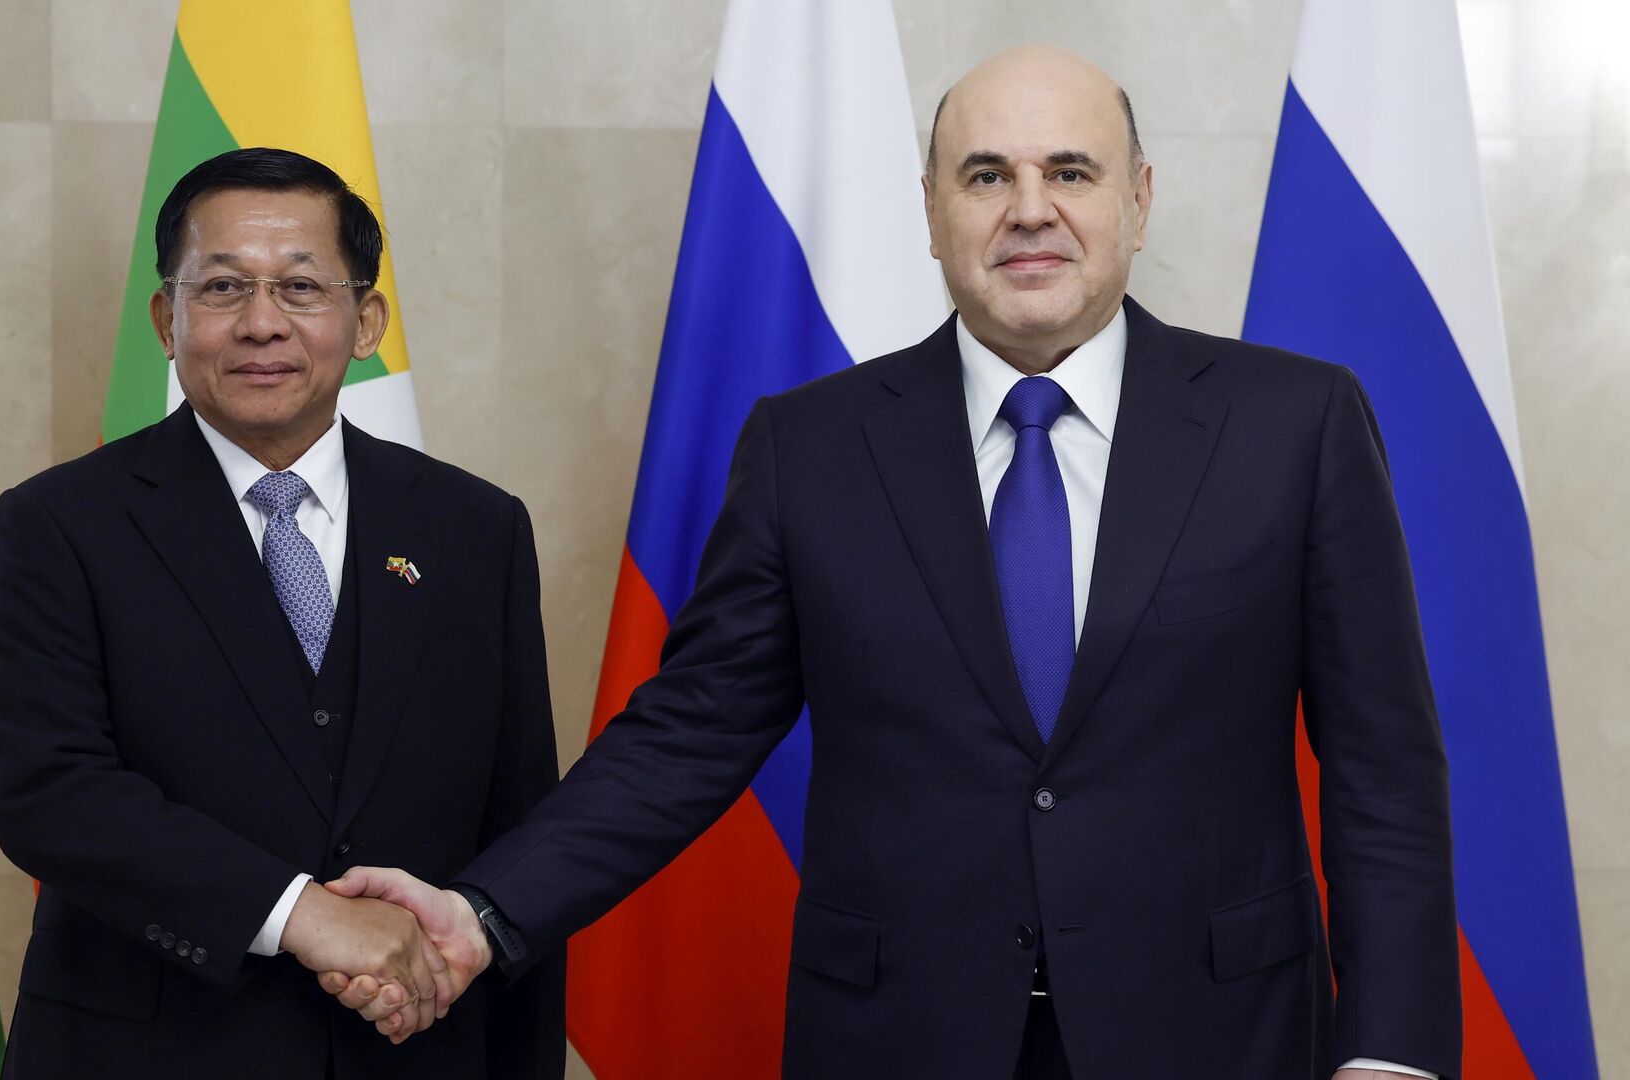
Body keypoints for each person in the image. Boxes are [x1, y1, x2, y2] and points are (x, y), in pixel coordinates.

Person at [325, 46, 1463, 1080]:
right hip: (900, 1037)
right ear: (930, 211)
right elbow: (690, 732)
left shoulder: (1293, 425)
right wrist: (485, 912)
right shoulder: (809, 447)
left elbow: (1385, 773)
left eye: (1070, 172)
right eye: (986, 176)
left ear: (1139, 200)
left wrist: (1395, 1053)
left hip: (1220, 1037)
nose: (1030, 210)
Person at [0, 147, 564, 1079]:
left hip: (416, 1049)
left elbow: (519, 822)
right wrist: (301, 914)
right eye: (222, 287)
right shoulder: (60, 523)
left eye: (300, 287)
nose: (260, 323)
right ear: (166, 321)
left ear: (365, 322)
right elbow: (48, 792)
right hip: (149, 1054)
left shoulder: (475, 527)